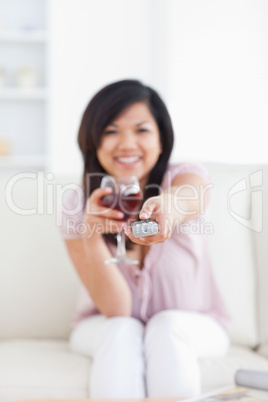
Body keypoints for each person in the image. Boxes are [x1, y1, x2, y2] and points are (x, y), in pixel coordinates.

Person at [58, 79, 230, 399]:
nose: (126, 144)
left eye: (141, 130)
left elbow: (189, 197)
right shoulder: (77, 204)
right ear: (93, 141)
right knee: (123, 330)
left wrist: (168, 206)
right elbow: (118, 309)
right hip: (103, 325)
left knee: (166, 326)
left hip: (195, 325)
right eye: (111, 131)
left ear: (162, 140)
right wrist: (91, 232)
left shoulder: (183, 177)